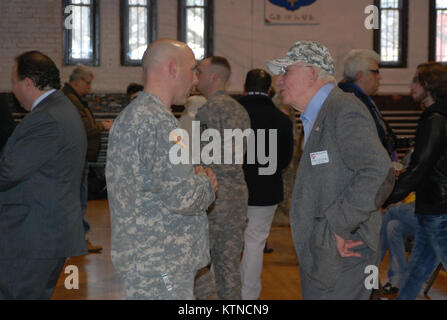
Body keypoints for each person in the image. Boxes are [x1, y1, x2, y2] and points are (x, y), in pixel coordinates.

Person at [267, 41, 395, 300]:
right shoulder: (319, 116)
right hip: (328, 252)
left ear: (312, 73)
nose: (279, 81)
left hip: (345, 250)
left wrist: (337, 227)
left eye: (286, 72)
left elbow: (378, 170)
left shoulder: (343, 109)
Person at [106, 39, 218, 300]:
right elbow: (182, 196)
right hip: (162, 262)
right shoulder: (162, 124)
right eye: (193, 70)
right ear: (172, 69)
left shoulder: (133, 115)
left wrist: (191, 176)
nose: (195, 81)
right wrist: (206, 184)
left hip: (143, 257)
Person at [0, 51, 87, 299]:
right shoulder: (59, 109)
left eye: (14, 81)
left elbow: (8, 171)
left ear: (28, 83)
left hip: (33, 235)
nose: (12, 88)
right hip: (42, 233)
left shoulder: (47, 118)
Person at [384, 62, 447, 300]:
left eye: (415, 81)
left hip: (439, 209)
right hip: (431, 207)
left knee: (418, 269)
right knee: (417, 271)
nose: (410, 86)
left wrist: (390, 195)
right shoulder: (435, 117)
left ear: (428, 86)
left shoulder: (435, 120)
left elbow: (420, 167)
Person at [194, 56, 251, 300]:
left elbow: (204, 159)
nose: (196, 76)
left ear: (214, 77)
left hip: (216, 195)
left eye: (200, 72)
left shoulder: (209, 110)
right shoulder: (240, 109)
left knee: (200, 261)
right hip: (237, 193)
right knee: (228, 263)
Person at [238, 69, 294, 300]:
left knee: (228, 243)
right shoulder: (281, 119)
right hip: (265, 190)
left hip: (233, 190)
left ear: (244, 88)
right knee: (254, 242)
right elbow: (284, 160)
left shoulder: (234, 115)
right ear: (269, 90)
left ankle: (223, 294)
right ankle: (248, 296)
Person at [63, 66, 112, 253]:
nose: (89, 88)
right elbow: (80, 128)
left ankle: (78, 239)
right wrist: (101, 126)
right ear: (77, 81)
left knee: (79, 199)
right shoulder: (70, 100)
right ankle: (77, 240)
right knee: (77, 200)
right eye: (88, 83)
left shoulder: (74, 99)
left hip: (79, 157)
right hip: (75, 157)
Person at [339, 49, 411, 161]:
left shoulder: (361, 99)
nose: (379, 77)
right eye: (376, 72)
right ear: (360, 75)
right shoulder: (350, 102)